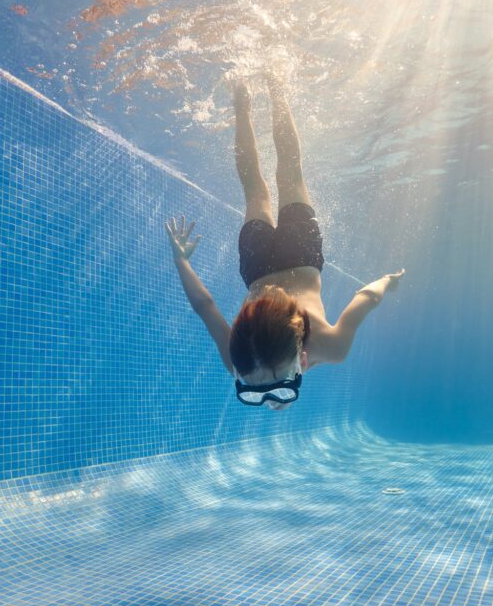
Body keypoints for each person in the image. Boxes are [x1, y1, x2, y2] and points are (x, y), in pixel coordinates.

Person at [166, 75, 404, 410]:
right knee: (256, 187)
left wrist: (387, 282)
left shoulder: (331, 348)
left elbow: (366, 297)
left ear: (303, 360)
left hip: (301, 254)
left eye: (255, 392)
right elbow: (204, 307)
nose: (270, 400)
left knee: (289, 175)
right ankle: (243, 102)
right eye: (280, 391)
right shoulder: (237, 357)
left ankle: (275, 91)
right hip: (258, 266)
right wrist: (181, 261)